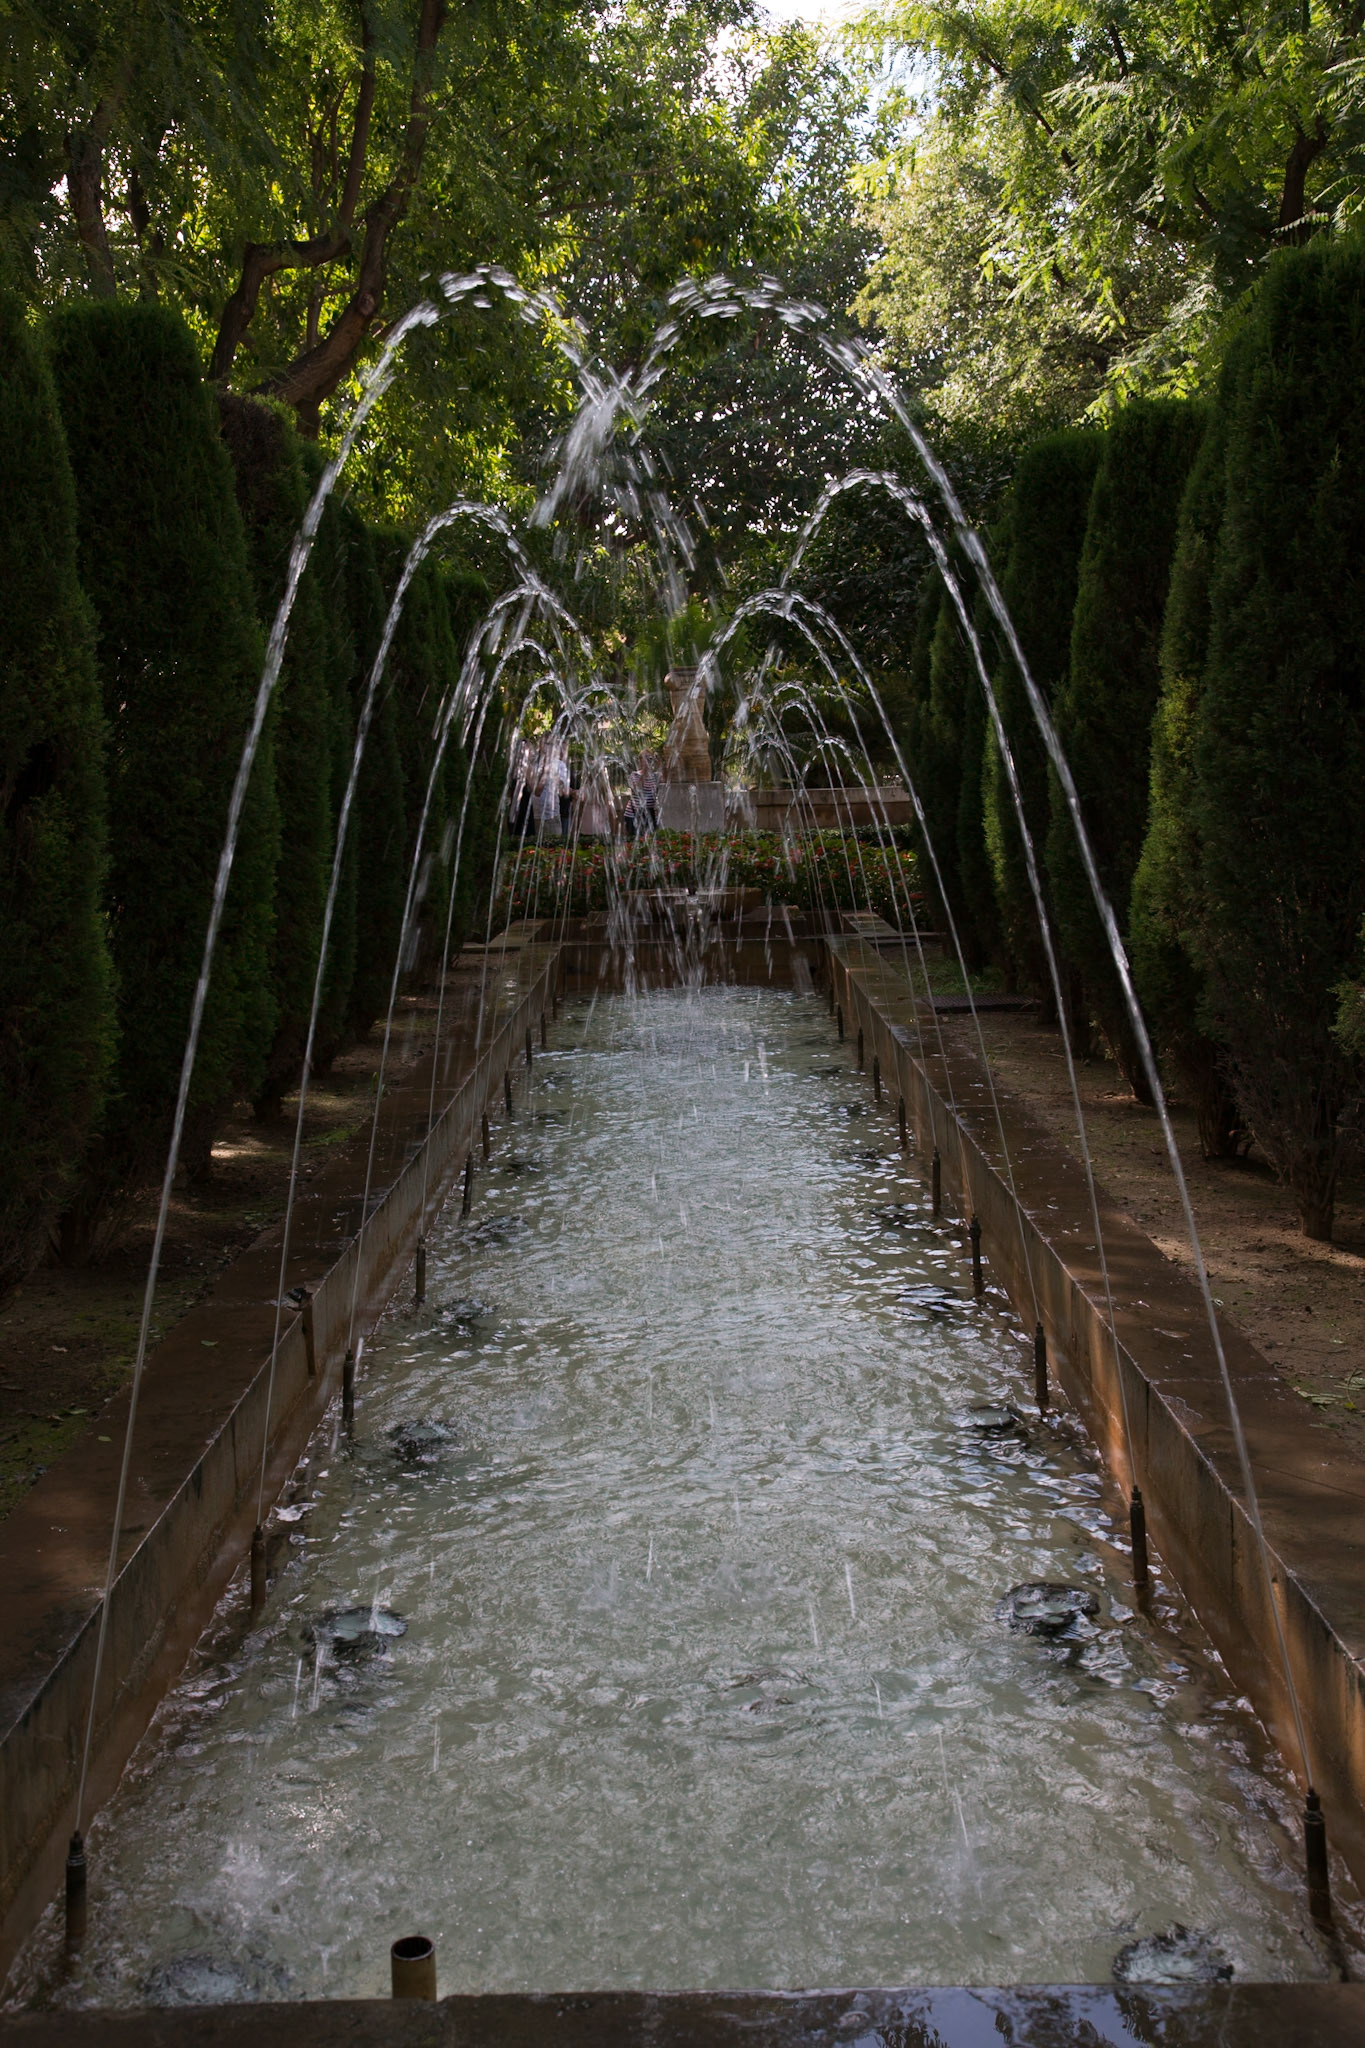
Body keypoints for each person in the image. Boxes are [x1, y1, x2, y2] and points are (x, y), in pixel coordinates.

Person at [535, 752, 568, 842]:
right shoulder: (535, 763)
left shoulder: (560, 765)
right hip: (536, 814)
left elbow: (562, 791)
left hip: (552, 814)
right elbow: (535, 790)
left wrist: (549, 771)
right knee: (539, 845)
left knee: (555, 844)